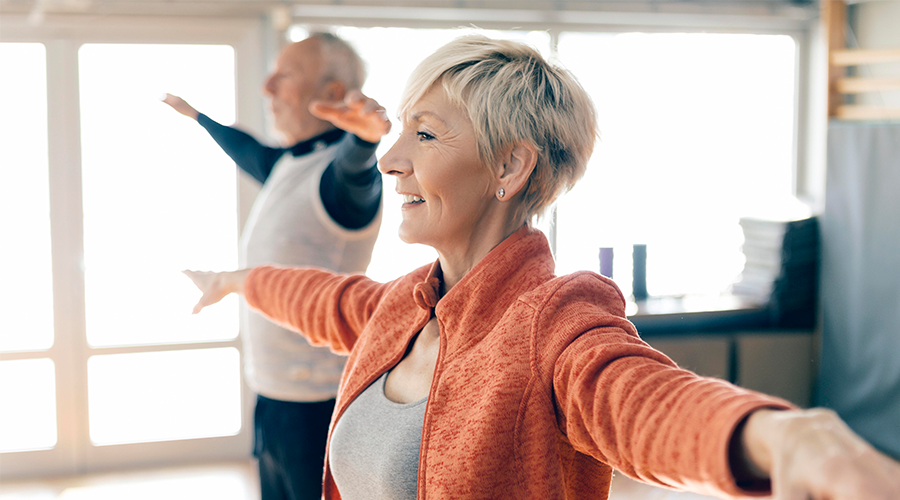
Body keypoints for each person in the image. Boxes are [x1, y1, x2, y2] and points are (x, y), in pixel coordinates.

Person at [183, 35, 900, 500]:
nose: (392, 158)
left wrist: (780, 437)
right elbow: (315, 295)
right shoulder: (399, 308)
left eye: (425, 135)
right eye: (400, 132)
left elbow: (639, 398)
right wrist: (234, 282)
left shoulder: (553, 321)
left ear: (509, 166)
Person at [163, 32, 390, 500]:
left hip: (319, 406)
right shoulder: (289, 164)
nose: (267, 87)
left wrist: (365, 140)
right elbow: (246, 149)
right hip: (272, 396)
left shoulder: (336, 177)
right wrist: (199, 118)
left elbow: (356, 173)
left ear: (330, 94)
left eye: (284, 75)